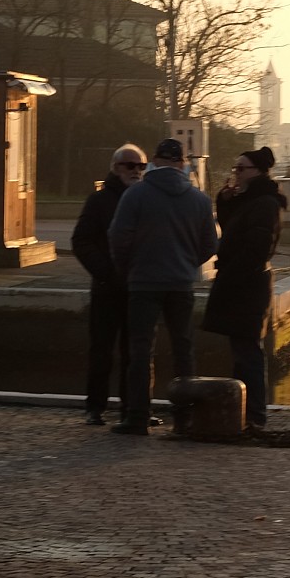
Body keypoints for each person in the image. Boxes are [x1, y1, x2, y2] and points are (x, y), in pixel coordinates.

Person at [106, 137, 216, 435]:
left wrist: (129, 267)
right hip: (181, 283)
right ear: (182, 163)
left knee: (141, 350)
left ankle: (138, 416)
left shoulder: (135, 194)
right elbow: (210, 244)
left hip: (143, 282)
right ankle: (185, 417)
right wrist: (187, 262)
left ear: (155, 160)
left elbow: (118, 237)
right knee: (183, 349)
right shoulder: (199, 200)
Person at [205, 146, 287, 426]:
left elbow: (257, 248)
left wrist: (231, 274)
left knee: (249, 352)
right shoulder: (251, 200)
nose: (236, 173)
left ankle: (254, 416)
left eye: (241, 168)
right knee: (242, 351)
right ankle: (246, 414)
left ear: (257, 172)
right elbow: (231, 228)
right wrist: (225, 201)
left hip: (248, 285)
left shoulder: (264, 203)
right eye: (235, 168)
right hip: (243, 282)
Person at [71, 143, 145, 425]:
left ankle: (133, 408)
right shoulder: (99, 201)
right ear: (115, 168)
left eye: (141, 166)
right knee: (102, 349)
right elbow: (81, 240)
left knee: (136, 352)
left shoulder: (146, 200)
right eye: (130, 165)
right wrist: (105, 272)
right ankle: (95, 406)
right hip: (108, 286)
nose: (136, 171)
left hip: (139, 287)